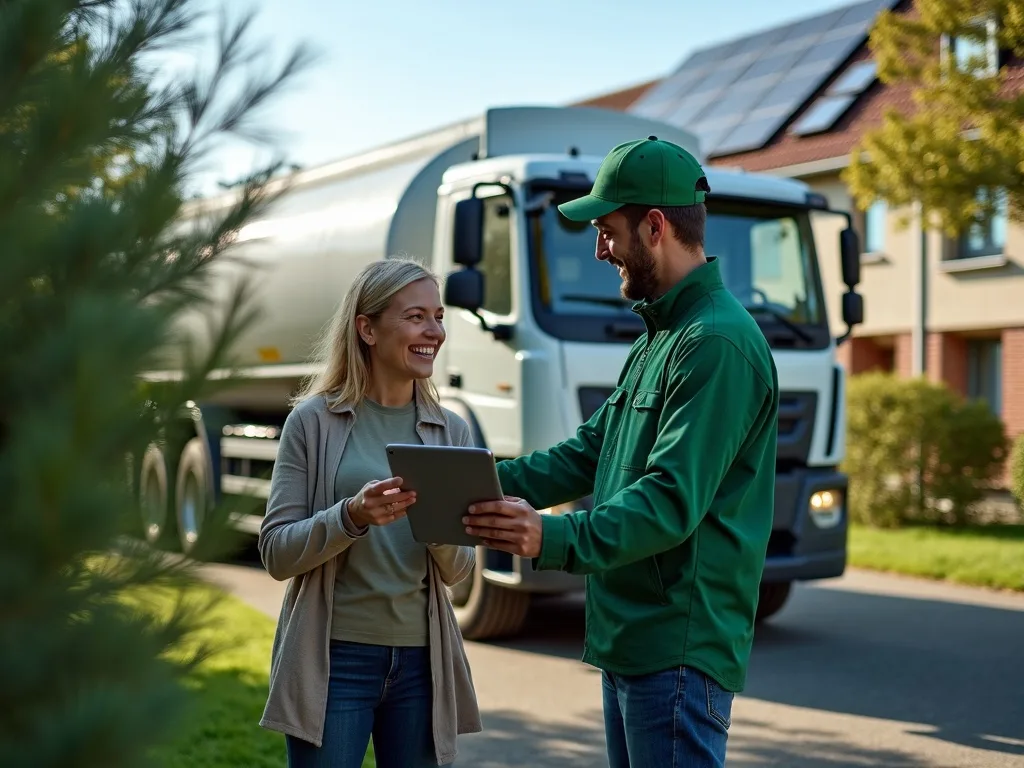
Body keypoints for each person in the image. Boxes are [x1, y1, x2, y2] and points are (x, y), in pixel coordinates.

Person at [463, 136, 781, 767]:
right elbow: (588, 453)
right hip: (633, 636)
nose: (600, 248)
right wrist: (473, 482)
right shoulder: (661, 337)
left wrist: (549, 540)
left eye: (607, 229)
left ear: (655, 225)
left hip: (677, 647)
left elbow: (669, 500)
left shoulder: (714, 343)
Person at [258, 258, 482, 768]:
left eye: (439, 316)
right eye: (416, 317)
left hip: (422, 664)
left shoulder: (451, 432)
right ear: (367, 328)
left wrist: (441, 526)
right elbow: (275, 552)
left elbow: (459, 570)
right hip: (334, 661)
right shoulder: (312, 422)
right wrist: (352, 515)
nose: (435, 332)